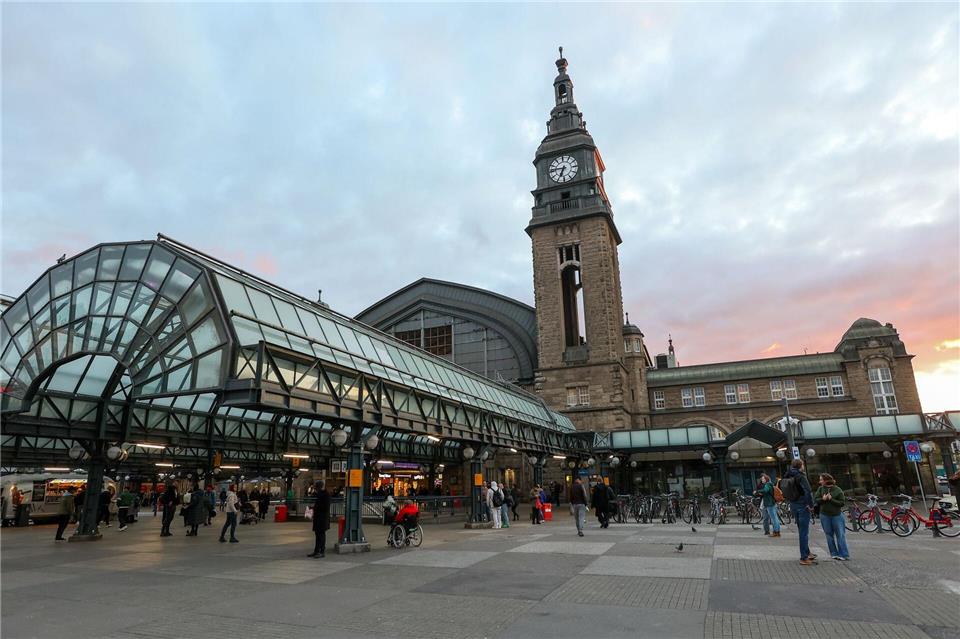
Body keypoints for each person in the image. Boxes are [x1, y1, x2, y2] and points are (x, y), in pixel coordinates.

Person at [781, 459, 816, 565]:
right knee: (804, 532)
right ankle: (803, 557)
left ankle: (807, 552)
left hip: (793, 504)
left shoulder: (787, 475)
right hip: (802, 505)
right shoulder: (801, 476)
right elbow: (808, 491)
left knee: (801, 530)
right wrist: (810, 505)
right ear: (801, 466)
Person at [814, 473, 850, 561]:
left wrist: (831, 499)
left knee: (840, 535)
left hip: (836, 515)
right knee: (828, 535)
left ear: (826, 480)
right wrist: (823, 499)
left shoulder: (837, 489)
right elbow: (816, 499)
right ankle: (833, 553)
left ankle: (843, 554)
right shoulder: (820, 489)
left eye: (821, 480)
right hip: (824, 515)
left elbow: (842, 503)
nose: (820, 481)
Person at [307, 480, 331, 558]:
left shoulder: (325, 495)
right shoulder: (320, 494)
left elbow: (325, 507)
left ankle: (321, 551)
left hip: (322, 518)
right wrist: (313, 508)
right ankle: (316, 551)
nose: (315, 488)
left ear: (318, 487)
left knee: (321, 535)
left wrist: (315, 508)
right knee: (318, 535)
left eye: (316, 487)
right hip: (319, 518)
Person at [756, 473, 781, 537]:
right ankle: (777, 531)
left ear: (766, 479)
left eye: (763, 479)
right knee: (775, 518)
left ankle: (776, 532)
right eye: (761, 479)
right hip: (772, 502)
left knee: (773, 518)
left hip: (769, 503)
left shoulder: (767, 485)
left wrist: (758, 491)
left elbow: (765, 490)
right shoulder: (770, 484)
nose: (762, 480)